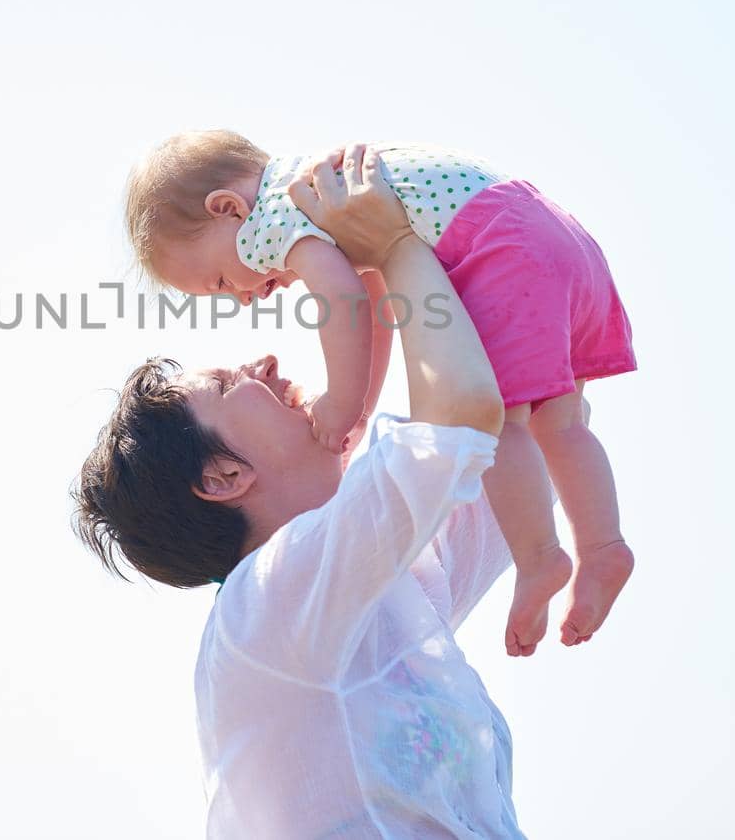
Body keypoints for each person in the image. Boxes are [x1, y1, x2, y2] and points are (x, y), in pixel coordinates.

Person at [74, 147, 530, 837]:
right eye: (229, 385)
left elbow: (516, 425)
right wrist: (396, 244)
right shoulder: (268, 607)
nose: (267, 360)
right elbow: (466, 412)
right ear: (222, 478)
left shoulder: (382, 592)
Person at [123, 132, 636, 655]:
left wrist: (341, 403)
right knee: (562, 424)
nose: (243, 297)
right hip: (548, 230)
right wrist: (360, 410)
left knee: (507, 424)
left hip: (498, 246)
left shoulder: (277, 218)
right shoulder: (323, 195)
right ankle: (602, 546)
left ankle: (541, 557)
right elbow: (374, 292)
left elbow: (341, 300)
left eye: (220, 282)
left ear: (229, 209)